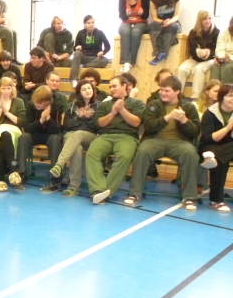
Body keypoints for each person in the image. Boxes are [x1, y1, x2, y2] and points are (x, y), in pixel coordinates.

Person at [124, 76, 199, 210]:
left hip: (179, 142)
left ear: (177, 92)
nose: (162, 93)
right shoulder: (153, 105)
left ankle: (189, 197)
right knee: (143, 151)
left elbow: (195, 132)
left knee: (190, 154)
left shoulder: (189, 107)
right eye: (161, 90)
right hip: (155, 140)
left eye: (167, 91)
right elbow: (148, 126)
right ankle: (134, 193)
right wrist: (167, 118)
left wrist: (184, 121)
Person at [84, 75, 145, 204]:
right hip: (105, 136)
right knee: (92, 154)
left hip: (127, 136)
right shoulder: (105, 104)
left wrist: (121, 110)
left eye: (114, 86)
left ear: (124, 86)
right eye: (110, 87)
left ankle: (105, 192)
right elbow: (100, 123)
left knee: (124, 156)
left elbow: (136, 123)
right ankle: (97, 190)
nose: (111, 89)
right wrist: (112, 113)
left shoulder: (137, 103)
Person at [48, 79, 100, 197]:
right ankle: (73, 187)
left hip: (90, 136)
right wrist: (78, 118)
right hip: (71, 136)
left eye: (89, 88)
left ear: (93, 90)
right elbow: (66, 125)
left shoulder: (99, 106)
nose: (87, 91)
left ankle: (59, 165)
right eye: (84, 89)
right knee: (76, 148)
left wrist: (89, 119)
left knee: (79, 133)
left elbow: (98, 127)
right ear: (79, 92)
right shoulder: (72, 105)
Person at [19, 86, 62, 193]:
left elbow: (57, 130)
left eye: (39, 102)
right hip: (35, 134)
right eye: (35, 101)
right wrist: (41, 121)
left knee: (56, 139)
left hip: (50, 135)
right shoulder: (31, 105)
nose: (35, 104)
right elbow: (27, 127)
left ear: (47, 102)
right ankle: (20, 173)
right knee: (24, 137)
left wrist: (48, 119)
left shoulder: (57, 105)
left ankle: (55, 179)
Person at [0, 77, 26, 192]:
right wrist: (1, 109)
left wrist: (7, 112)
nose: (6, 91)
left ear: (12, 89)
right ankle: (13, 171)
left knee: (6, 137)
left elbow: (21, 122)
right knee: (4, 134)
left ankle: (0, 179)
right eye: (3, 88)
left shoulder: (19, 101)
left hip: (14, 129)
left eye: (9, 88)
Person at [199, 83, 233, 212]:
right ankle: (216, 201)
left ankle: (214, 155)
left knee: (219, 157)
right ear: (221, 97)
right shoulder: (210, 113)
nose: (232, 99)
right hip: (209, 146)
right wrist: (228, 128)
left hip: (227, 148)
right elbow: (208, 138)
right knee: (221, 163)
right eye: (229, 96)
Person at [174, 11, 219, 98]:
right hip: (195, 59)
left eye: (210, 18)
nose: (207, 21)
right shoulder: (193, 32)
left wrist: (208, 52)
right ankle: (177, 96)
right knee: (181, 69)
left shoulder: (217, 32)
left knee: (199, 69)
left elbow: (217, 50)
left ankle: (196, 98)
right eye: (204, 19)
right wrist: (199, 52)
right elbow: (192, 49)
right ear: (199, 20)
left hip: (210, 59)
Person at [148, 0, 182, 65]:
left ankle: (162, 54)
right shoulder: (154, 0)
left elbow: (177, 16)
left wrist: (169, 22)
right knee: (152, 25)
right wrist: (163, 22)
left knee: (171, 27)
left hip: (173, 22)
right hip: (160, 23)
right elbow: (155, 18)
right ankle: (159, 52)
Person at [118, 0, 150, 72]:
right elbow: (121, 16)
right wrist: (126, 15)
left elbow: (146, 16)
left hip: (140, 22)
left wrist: (142, 13)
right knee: (125, 31)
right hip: (126, 22)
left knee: (136, 32)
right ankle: (126, 61)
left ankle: (131, 62)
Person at [70, 15, 111, 84]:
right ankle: (73, 79)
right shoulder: (80, 33)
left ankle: (84, 66)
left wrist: (103, 52)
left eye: (92, 22)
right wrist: (77, 48)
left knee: (105, 60)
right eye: (88, 23)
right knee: (77, 53)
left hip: (95, 58)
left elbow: (108, 46)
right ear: (84, 24)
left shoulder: (100, 33)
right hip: (84, 56)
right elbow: (75, 48)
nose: (91, 24)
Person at [213, 15, 233, 84]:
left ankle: (227, 90)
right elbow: (219, 49)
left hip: (231, 60)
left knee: (227, 68)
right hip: (225, 59)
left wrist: (229, 58)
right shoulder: (223, 33)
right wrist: (221, 58)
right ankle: (215, 89)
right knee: (214, 66)